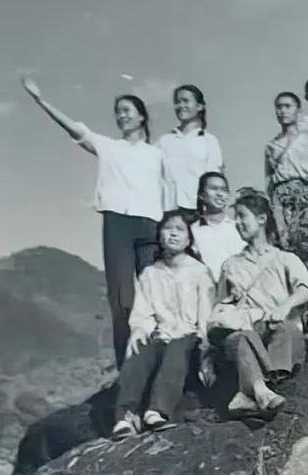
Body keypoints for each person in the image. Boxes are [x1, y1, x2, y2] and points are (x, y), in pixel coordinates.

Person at [22, 76, 162, 369]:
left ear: (141, 116)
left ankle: (160, 361)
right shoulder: (109, 147)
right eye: (118, 112)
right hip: (118, 225)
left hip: (151, 225)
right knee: (122, 299)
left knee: (156, 294)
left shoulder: (158, 153)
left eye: (127, 110)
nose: (121, 116)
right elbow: (73, 128)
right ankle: (127, 368)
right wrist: (40, 100)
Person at [201, 192, 308, 415]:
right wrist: (206, 355)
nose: (238, 223)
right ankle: (260, 390)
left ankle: (247, 393)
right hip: (245, 333)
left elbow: (307, 290)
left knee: (284, 329)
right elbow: (219, 308)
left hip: (277, 335)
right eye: (235, 217)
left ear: (262, 219)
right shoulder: (230, 265)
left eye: (242, 216)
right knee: (241, 337)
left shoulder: (285, 258)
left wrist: (284, 307)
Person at [111, 211, 212, 439]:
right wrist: (139, 331)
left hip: (189, 338)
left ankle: (157, 409)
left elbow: (205, 315)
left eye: (179, 229)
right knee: (139, 348)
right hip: (161, 335)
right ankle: (126, 415)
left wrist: (207, 350)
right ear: (159, 235)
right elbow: (143, 314)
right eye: (168, 229)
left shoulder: (200, 272)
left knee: (178, 347)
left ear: (189, 239)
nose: (173, 234)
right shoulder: (150, 274)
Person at [265, 92, 308, 246]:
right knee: (284, 242)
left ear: (298, 110)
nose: (283, 111)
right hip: (281, 200)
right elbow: (269, 181)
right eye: (279, 107)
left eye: (287, 106)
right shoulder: (272, 145)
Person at [157, 85, 223, 218]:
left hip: (198, 211)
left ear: (199, 106)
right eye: (177, 102)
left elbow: (214, 179)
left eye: (186, 101)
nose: (181, 105)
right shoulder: (163, 141)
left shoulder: (209, 140)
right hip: (168, 210)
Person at [191, 172, 245, 288]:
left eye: (224, 190)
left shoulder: (239, 228)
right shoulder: (193, 231)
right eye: (214, 189)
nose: (220, 194)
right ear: (201, 195)